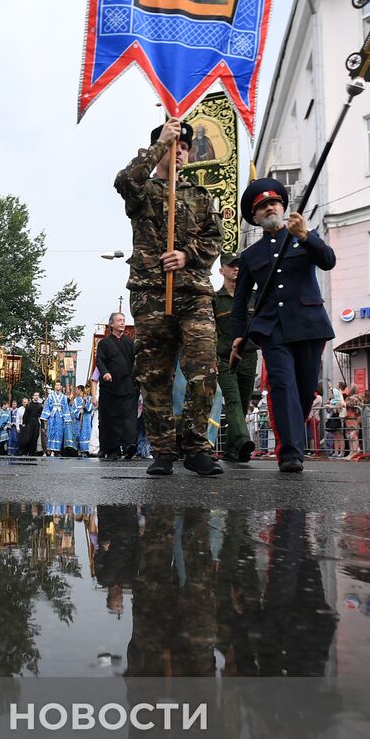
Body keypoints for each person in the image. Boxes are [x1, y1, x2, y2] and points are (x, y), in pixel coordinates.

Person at [115, 118, 223, 477]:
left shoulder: (200, 195)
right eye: (174, 146)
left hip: (193, 293)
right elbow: (124, 180)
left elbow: (214, 239)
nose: (180, 152)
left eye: (184, 147)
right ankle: (162, 450)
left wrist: (187, 255)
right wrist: (160, 142)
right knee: (154, 375)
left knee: (204, 368)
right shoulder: (142, 191)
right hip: (151, 294)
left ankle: (195, 445)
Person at [231, 178, 336, 473]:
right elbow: (240, 303)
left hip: (309, 326)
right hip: (273, 330)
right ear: (255, 218)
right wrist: (238, 337)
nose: (269, 208)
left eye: (273, 203)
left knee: (303, 392)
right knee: (282, 387)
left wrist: (306, 237)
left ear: (283, 206)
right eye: (262, 207)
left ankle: (292, 438)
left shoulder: (304, 235)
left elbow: (328, 261)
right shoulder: (251, 256)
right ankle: (290, 452)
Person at [213, 252, 256, 462]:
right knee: (233, 401)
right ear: (222, 271)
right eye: (231, 266)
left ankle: (231, 449)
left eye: (238, 265)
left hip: (249, 355)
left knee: (244, 402)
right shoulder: (215, 300)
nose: (236, 268)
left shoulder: (253, 296)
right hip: (224, 358)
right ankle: (242, 440)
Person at [95, 312, 139, 461]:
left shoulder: (130, 342)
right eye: (119, 320)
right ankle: (112, 449)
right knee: (111, 418)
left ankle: (129, 445)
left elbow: (136, 362)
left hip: (128, 386)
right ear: (111, 324)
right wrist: (105, 372)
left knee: (129, 417)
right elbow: (99, 361)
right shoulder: (104, 343)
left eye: (123, 320)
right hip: (111, 387)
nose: (122, 323)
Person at [40, 381, 72, 457]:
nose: (57, 386)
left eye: (59, 385)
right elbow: (47, 406)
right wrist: (44, 417)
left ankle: (57, 451)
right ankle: (49, 450)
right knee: (51, 432)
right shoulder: (50, 396)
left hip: (60, 417)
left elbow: (66, 408)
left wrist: (66, 418)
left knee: (59, 433)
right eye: (56, 385)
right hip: (52, 416)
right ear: (55, 387)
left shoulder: (64, 397)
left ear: (61, 387)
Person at [69, 384, 95, 457]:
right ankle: (79, 450)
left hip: (86, 421)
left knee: (87, 435)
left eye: (76, 389)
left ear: (80, 390)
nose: (75, 391)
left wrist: (85, 403)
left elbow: (91, 408)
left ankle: (87, 450)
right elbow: (73, 410)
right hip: (78, 421)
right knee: (78, 434)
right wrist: (79, 413)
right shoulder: (76, 400)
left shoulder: (89, 398)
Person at [19, 391, 43, 455]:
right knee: (28, 438)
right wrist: (24, 423)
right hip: (29, 422)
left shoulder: (40, 406)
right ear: (33, 396)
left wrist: (42, 425)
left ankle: (32, 452)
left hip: (36, 422)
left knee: (35, 437)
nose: (36, 396)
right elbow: (25, 415)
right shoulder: (29, 405)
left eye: (38, 395)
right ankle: (26, 451)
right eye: (35, 395)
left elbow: (41, 415)